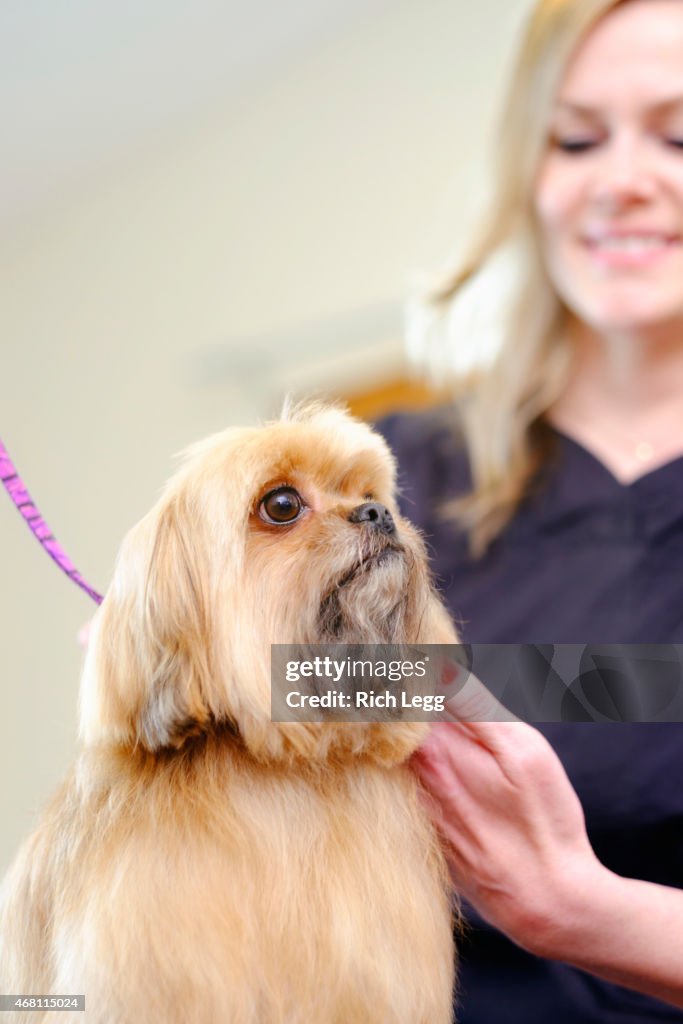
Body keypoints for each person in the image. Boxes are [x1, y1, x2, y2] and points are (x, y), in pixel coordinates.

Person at [379, 0, 683, 1020]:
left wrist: (581, 911)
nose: (621, 179)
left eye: (679, 135)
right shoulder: (394, 478)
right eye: (575, 138)